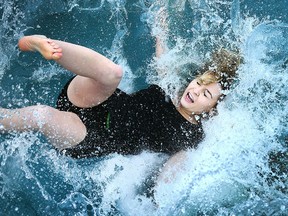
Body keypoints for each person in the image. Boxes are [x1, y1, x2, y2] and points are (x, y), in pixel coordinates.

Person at [0, 34, 240, 159]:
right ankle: (41, 44)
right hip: (95, 99)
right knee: (112, 73)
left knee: (44, 115)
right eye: (198, 82)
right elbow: (162, 60)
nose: (195, 91)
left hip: (90, 136)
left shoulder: (194, 138)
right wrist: (161, 26)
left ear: (211, 108)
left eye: (205, 93)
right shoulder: (171, 87)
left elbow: (174, 174)